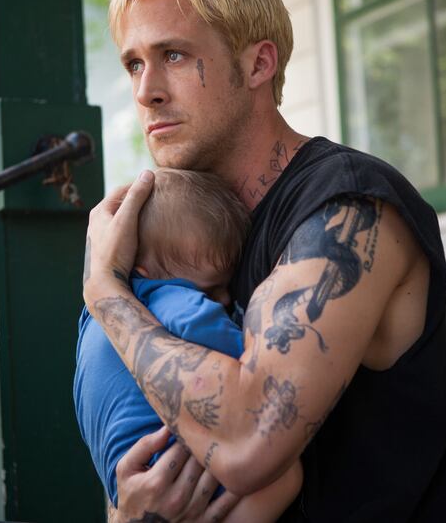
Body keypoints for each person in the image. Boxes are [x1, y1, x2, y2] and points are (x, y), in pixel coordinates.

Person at [81, 0, 446, 521]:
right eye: (134, 64)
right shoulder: (186, 232)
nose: (145, 91)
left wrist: (105, 292)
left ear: (258, 64)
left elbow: (249, 443)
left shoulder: (347, 205)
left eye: (172, 55)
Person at [74, 168, 302, 522]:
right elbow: (249, 375)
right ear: (148, 270)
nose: (223, 299)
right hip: (176, 469)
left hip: (125, 484)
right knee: (285, 478)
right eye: (210, 289)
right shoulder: (178, 305)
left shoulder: (93, 318)